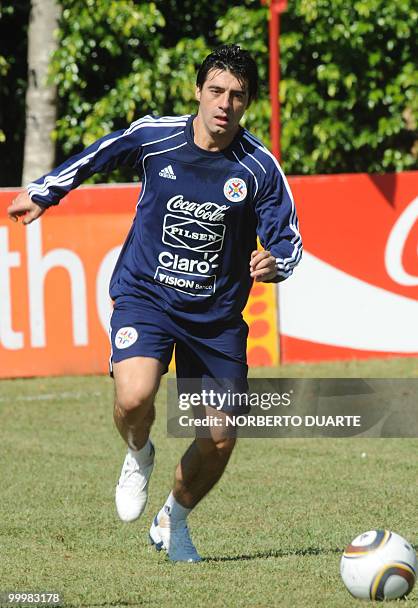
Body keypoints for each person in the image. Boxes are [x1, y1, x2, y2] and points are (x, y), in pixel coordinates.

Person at [8, 44, 302, 562]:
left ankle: (174, 519)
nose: (224, 104)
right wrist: (46, 191)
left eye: (237, 96)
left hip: (215, 318)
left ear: (248, 102)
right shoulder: (155, 136)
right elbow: (99, 153)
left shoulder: (258, 168)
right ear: (198, 91)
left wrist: (277, 262)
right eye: (215, 90)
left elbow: (289, 238)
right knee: (134, 397)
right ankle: (138, 452)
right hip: (147, 295)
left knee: (220, 437)